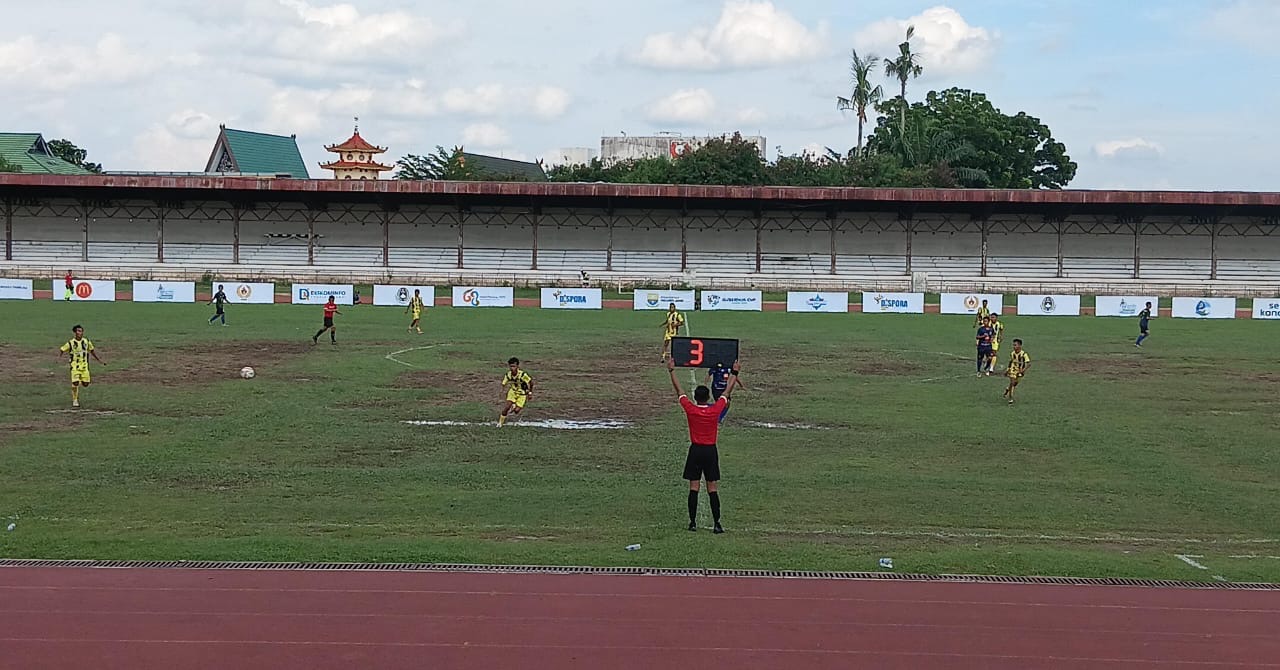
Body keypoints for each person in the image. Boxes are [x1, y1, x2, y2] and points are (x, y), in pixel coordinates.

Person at [669, 357, 740, 533]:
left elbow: (679, 391)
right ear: (708, 397)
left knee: (694, 486)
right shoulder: (715, 410)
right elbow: (726, 391)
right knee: (712, 487)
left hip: (696, 450)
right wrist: (735, 372)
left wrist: (671, 371)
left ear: (695, 397)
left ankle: (692, 523)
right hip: (710, 451)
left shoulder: (691, 410)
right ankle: (717, 524)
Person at [58, 324, 105, 408]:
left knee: (86, 384)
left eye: (81, 331)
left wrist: (99, 360)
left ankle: (78, 381)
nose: (81, 333)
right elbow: (62, 349)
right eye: (79, 331)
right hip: (75, 366)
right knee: (75, 383)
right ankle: (75, 399)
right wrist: (58, 358)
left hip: (84, 366)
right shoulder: (71, 343)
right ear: (75, 332)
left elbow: (92, 350)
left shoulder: (86, 341)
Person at [498, 357, 533, 426]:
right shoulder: (508, 374)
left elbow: (531, 383)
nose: (512, 368)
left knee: (516, 411)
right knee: (507, 407)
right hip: (513, 392)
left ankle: (514, 406)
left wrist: (530, 393)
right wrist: (501, 391)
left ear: (517, 366)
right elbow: (503, 383)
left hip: (522, 394)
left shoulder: (522, 375)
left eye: (514, 366)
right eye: (510, 366)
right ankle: (500, 423)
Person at [1003, 339, 1031, 404]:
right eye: (1013, 345)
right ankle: (1010, 398)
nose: (1014, 346)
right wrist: (1008, 370)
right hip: (1013, 369)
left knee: (1015, 383)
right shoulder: (1012, 353)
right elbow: (1011, 361)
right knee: (1012, 382)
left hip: (1020, 370)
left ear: (1020, 346)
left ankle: (1008, 389)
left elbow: (1029, 364)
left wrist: (1023, 370)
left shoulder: (1024, 354)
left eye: (1015, 345)